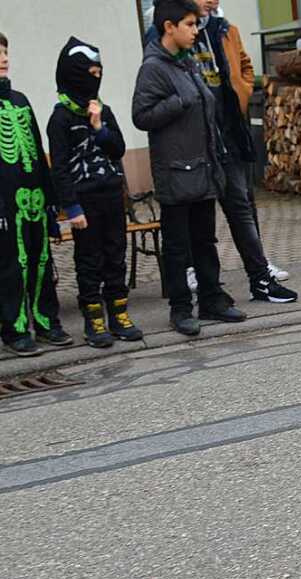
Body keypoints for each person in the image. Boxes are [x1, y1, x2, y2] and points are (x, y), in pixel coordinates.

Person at [144, 0, 297, 302]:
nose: (211, 1)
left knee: (240, 208)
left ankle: (259, 276)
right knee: (197, 221)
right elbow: (146, 108)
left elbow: (243, 66)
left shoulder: (222, 29)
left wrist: (240, 90)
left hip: (227, 136)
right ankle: (196, 281)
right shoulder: (166, 38)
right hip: (193, 147)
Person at [133, 0, 246, 336]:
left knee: (204, 239)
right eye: (190, 25)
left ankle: (212, 298)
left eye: (196, 25)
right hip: (175, 170)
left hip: (203, 166)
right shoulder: (154, 66)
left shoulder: (187, 63)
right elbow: (141, 115)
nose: (196, 31)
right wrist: (176, 102)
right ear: (169, 27)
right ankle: (180, 308)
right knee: (178, 245)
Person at [47, 37, 144, 348]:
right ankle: (94, 319)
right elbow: (59, 168)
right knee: (90, 260)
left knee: (116, 255)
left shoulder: (104, 110)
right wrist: (71, 208)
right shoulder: (60, 118)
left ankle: (119, 314)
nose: (96, 77)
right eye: (90, 71)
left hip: (111, 196)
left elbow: (117, 149)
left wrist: (99, 126)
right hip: (84, 204)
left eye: (99, 71)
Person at [0, 31, 70, 357]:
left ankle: (45, 320)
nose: (3, 59)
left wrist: (51, 198)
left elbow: (39, 153)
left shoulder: (21, 100)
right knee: (13, 266)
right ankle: (14, 329)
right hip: (5, 203)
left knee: (41, 261)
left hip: (34, 197)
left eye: (5, 52)